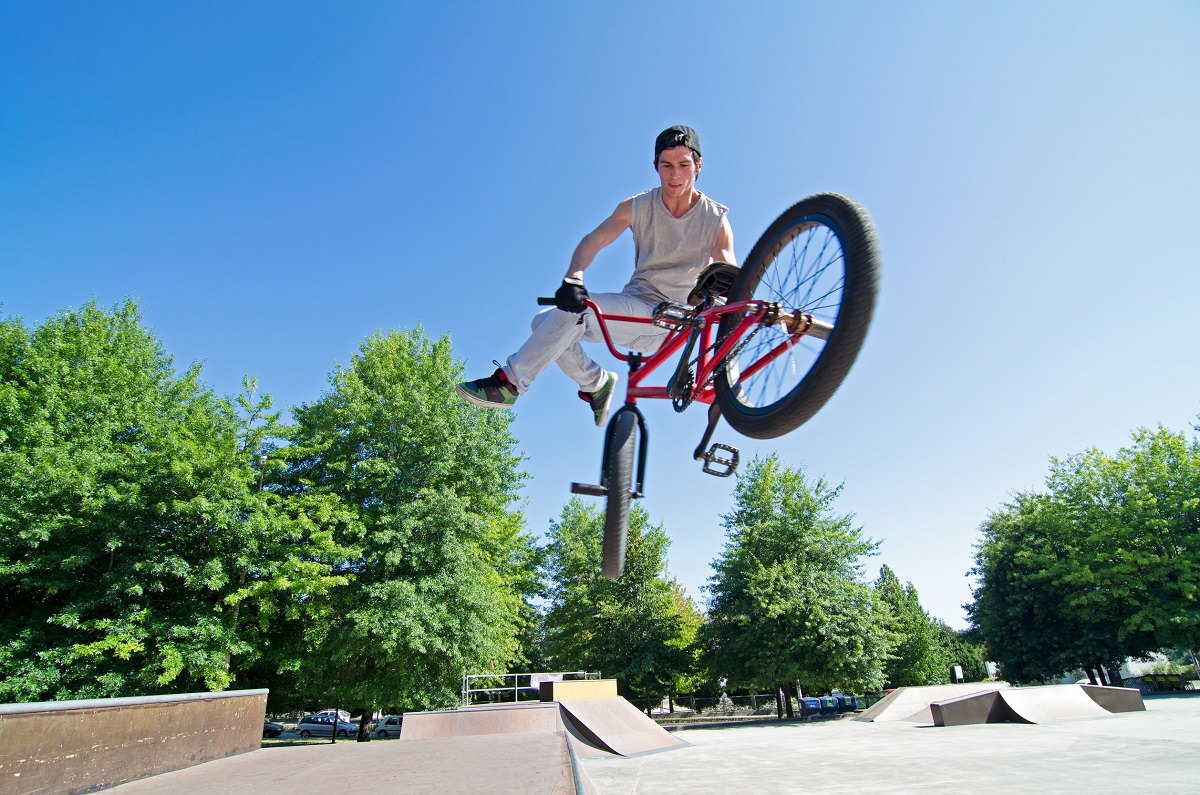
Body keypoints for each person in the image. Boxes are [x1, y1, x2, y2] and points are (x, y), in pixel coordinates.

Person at [455, 125, 736, 426]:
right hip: (637, 307)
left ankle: (509, 384)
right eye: (666, 166)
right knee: (544, 323)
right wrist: (573, 277)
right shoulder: (637, 206)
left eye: (683, 165)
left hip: (673, 318)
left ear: (698, 165)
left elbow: (731, 276)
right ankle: (596, 384)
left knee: (578, 312)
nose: (675, 175)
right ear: (655, 166)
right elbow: (594, 240)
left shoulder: (714, 219)